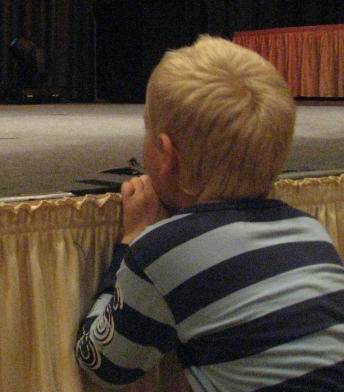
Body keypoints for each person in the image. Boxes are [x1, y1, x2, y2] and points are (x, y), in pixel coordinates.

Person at [75, 35, 344, 390]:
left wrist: (132, 240)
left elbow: (103, 364)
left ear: (166, 153)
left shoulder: (162, 249)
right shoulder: (311, 231)